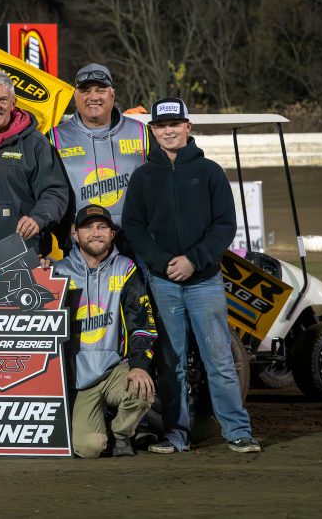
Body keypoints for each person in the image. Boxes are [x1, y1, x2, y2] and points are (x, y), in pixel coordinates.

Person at [122, 98, 261, 454]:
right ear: (153, 131)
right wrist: (164, 263)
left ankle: (237, 431)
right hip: (163, 282)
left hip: (204, 281)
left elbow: (224, 227)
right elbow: (134, 228)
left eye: (175, 124)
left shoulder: (210, 172)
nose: (168, 131)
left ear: (188, 127)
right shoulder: (142, 177)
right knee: (171, 364)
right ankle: (175, 435)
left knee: (219, 359)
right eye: (161, 126)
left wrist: (193, 260)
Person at [52, 204, 157, 458]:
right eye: (87, 227)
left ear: (112, 234)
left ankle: (121, 433)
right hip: (78, 378)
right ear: (75, 234)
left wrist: (140, 365)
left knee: (141, 389)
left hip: (114, 370)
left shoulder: (126, 268)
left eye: (102, 227)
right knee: (90, 448)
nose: (95, 233)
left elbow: (142, 324)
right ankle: (105, 432)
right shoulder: (57, 271)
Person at [0, 70, 68, 257]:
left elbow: (55, 192)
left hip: (24, 253)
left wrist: (38, 218)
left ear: (13, 103)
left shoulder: (36, 143)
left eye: (2, 100)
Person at [49, 63, 149, 235]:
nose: (93, 97)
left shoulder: (141, 132)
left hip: (134, 242)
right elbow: (46, 194)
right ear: (75, 96)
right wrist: (63, 232)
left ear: (112, 94)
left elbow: (160, 187)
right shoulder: (55, 138)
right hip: (79, 246)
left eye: (101, 90)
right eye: (86, 91)